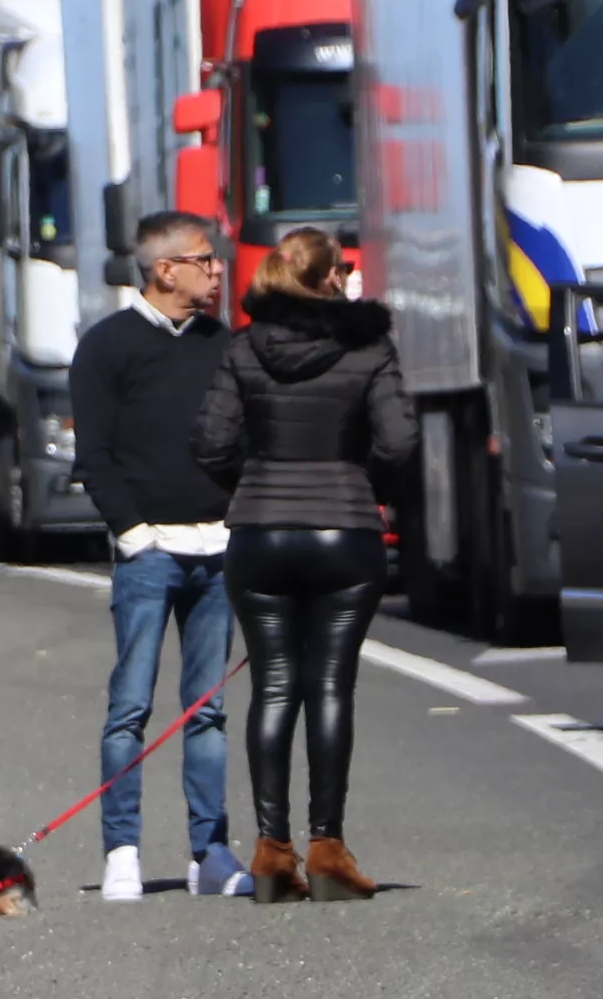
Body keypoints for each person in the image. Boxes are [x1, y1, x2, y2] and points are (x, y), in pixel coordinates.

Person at [197, 225, 415, 902]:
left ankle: (270, 851)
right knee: (328, 687)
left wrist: (253, 484)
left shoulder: (242, 348)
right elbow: (400, 440)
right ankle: (328, 845)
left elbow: (209, 443)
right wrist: (362, 484)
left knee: (272, 685)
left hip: (259, 532)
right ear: (328, 279)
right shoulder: (368, 348)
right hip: (342, 530)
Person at [68, 208, 248, 901]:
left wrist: (235, 522)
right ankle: (122, 850)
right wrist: (134, 533)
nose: (216, 270)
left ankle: (210, 853)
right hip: (149, 556)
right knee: (130, 707)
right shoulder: (108, 347)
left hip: (216, 550)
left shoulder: (220, 345)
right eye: (205, 259)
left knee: (206, 709)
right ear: (165, 269)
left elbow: (240, 439)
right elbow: (98, 457)